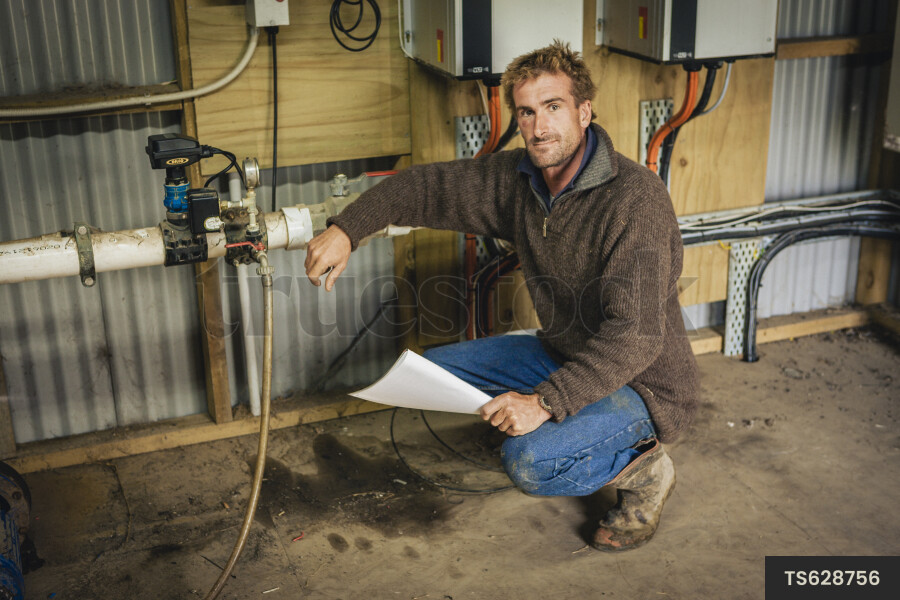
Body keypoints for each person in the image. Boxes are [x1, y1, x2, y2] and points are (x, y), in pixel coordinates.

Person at [304, 41, 699, 551]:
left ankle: (646, 470)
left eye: (553, 108)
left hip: (643, 384)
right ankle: (562, 422)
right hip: (565, 351)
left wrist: (544, 403)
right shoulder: (520, 179)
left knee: (530, 463)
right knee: (434, 372)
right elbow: (424, 188)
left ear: (584, 112)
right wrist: (347, 229)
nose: (539, 128)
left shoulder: (635, 199)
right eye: (527, 112)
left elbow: (635, 338)